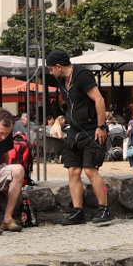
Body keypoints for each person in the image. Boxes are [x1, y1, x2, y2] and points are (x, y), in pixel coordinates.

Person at [47, 48, 112, 226]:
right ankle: (78, 211)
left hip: (91, 129)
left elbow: (99, 100)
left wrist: (101, 127)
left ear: (58, 66)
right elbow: (70, 107)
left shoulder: (83, 76)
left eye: (51, 68)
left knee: (91, 170)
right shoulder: (63, 81)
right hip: (74, 132)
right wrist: (58, 122)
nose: (50, 72)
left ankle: (104, 208)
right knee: (73, 171)